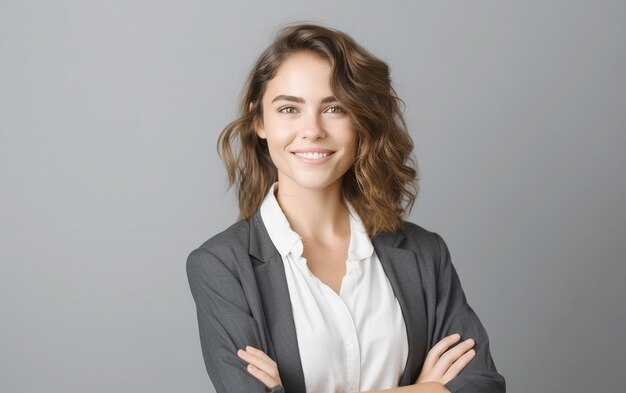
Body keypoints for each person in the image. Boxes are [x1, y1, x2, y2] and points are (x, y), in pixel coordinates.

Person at [186, 23, 505, 393]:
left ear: (360, 120)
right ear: (259, 120)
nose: (312, 130)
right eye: (289, 108)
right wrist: (426, 389)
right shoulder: (222, 267)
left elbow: (481, 385)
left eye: (334, 108)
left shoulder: (423, 254)